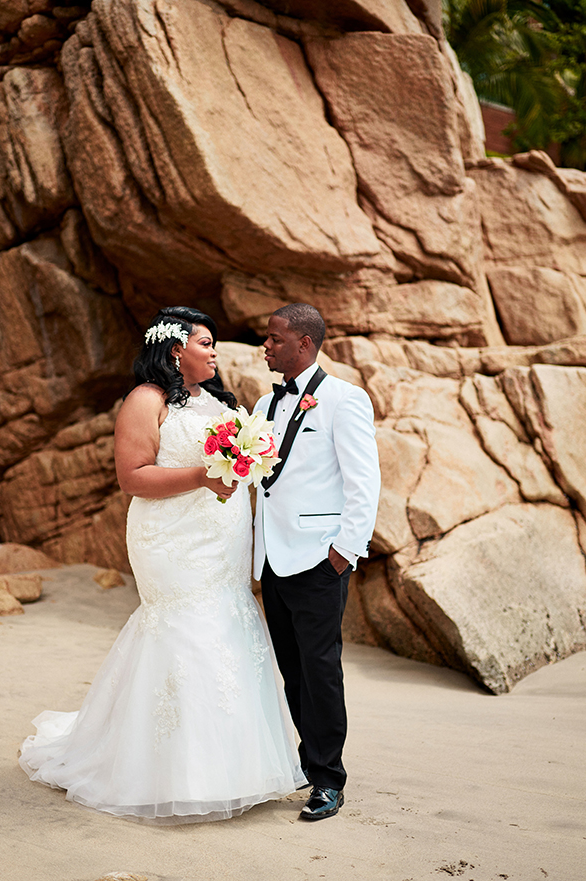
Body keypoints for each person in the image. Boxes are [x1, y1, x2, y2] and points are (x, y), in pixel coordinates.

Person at [19, 306, 306, 823]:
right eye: (205, 342)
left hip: (222, 541)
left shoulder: (218, 400)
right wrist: (201, 476)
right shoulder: (145, 400)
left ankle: (234, 768)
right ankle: (171, 772)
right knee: (185, 628)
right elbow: (132, 477)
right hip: (171, 541)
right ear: (177, 349)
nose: (214, 351)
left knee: (226, 625)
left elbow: (237, 464)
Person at [253, 303, 380, 821]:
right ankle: (310, 763)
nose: (266, 345)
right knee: (292, 671)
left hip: (318, 560)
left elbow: (363, 483)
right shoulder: (263, 405)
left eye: (274, 338)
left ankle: (329, 779)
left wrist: (342, 554)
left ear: (304, 343)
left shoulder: (344, 399)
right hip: (273, 563)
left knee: (321, 670)